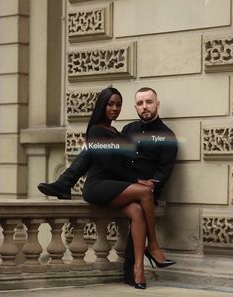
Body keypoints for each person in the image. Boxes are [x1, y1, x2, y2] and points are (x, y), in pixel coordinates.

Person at [38, 86, 177, 286]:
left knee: (138, 210)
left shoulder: (164, 136)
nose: (144, 107)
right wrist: (135, 181)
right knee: (97, 150)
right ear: (136, 107)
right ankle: (153, 247)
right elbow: (110, 161)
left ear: (157, 104)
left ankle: (137, 270)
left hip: (138, 188)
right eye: (140, 103)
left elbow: (163, 171)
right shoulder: (126, 130)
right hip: (120, 185)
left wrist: (149, 183)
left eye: (149, 102)